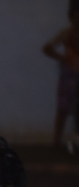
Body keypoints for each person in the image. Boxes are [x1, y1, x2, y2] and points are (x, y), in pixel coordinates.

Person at [43, 5, 79, 151]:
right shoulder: (66, 34)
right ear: (71, 18)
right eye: (76, 17)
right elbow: (47, 48)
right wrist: (63, 58)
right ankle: (56, 143)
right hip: (69, 76)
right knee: (63, 109)